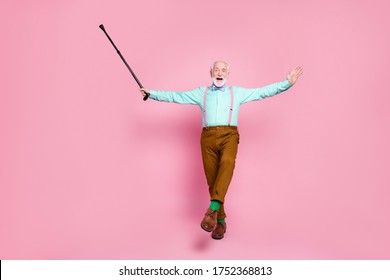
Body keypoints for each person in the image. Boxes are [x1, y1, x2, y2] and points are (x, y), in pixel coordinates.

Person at [140, 61, 303, 240]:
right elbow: (176, 96)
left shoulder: (237, 93)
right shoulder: (201, 93)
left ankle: (213, 210)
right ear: (210, 72)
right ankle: (221, 222)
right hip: (207, 138)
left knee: (228, 162)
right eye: (216, 69)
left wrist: (286, 83)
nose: (220, 72)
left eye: (223, 70)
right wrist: (152, 93)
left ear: (228, 73)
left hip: (229, 136)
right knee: (213, 181)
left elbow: (261, 92)